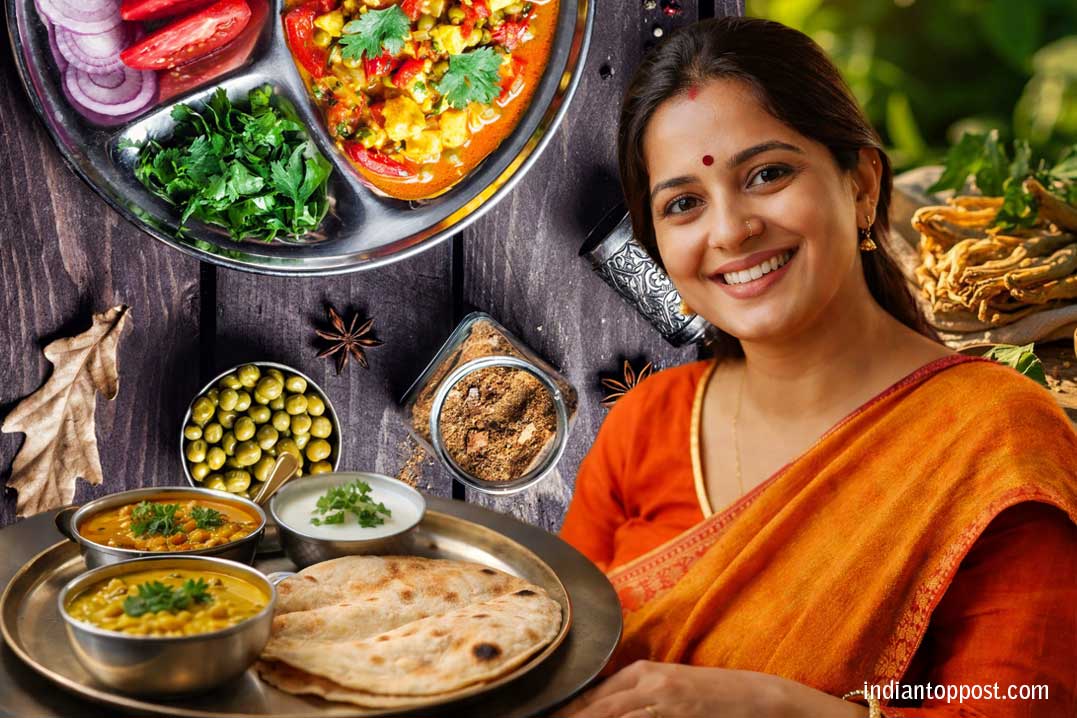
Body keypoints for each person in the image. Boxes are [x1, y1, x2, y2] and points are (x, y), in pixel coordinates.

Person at [557, 16, 1077, 718]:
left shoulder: (995, 440)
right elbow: (548, 657)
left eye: (767, 174)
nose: (730, 229)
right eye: (683, 204)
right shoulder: (648, 422)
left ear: (861, 186)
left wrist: (773, 707)